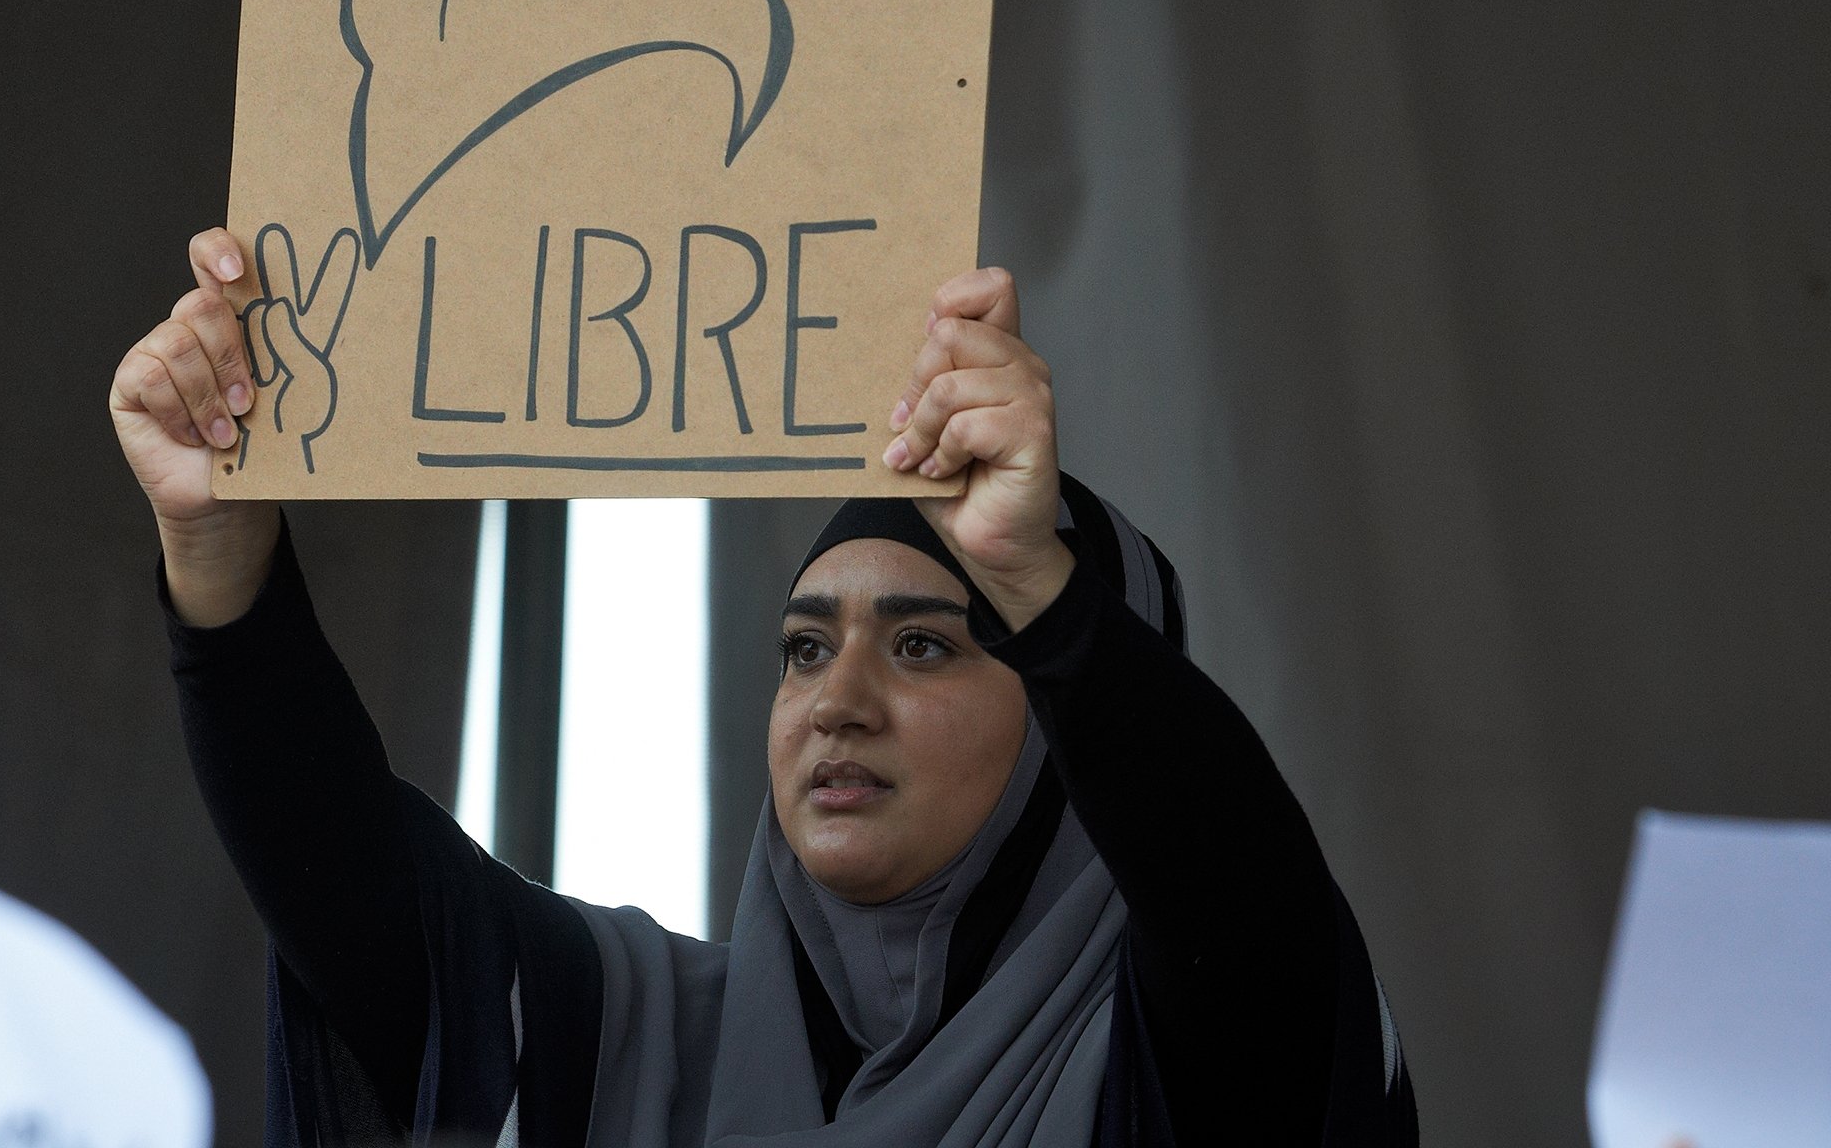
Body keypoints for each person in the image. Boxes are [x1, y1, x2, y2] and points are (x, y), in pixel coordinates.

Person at [114, 227, 1417, 1148]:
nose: (835, 700)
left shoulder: (1175, 1061)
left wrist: (1038, 578)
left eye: (924, 644)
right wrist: (221, 553)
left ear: (1065, 719)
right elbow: (341, 870)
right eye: (803, 647)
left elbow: (1237, 898)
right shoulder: (631, 1046)